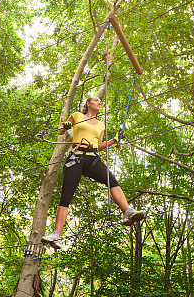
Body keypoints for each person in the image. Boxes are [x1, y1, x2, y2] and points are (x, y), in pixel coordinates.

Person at [41, 96, 145, 250]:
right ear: (88, 104)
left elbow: (99, 145)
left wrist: (113, 141)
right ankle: (56, 234)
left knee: (111, 180)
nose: (99, 103)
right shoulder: (77, 116)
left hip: (92, 159)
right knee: (67, 194)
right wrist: (67, 126)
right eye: (96, 101)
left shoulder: (101, 125)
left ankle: (127, 211)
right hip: (75, 157)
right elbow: (61, 132)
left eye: (100, 102)